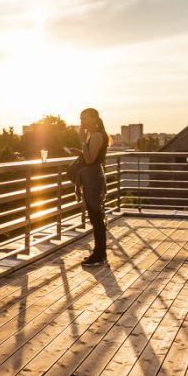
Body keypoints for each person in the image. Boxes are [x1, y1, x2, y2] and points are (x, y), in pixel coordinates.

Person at [78, 107, 111, 267]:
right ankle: (100, 253)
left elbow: (90, 160)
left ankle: (99, 255)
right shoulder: (97, 134)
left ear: (93, 119)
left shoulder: (97, 136)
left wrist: (83, 141)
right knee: (96, 217)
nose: (81, 121)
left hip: (93, 178)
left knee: (96, 218)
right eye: (80, 118)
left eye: (84, 118)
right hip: (93, 177)